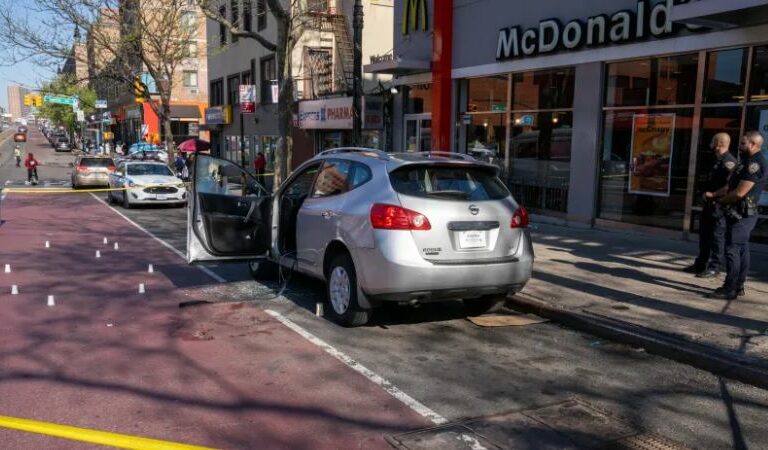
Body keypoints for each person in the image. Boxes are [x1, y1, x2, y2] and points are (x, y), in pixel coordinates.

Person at [705, 131, 768, 300]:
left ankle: (730, 287)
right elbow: (729, 186)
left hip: (743, 214)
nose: (739, 147)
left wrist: (722, 201)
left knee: (732, 250)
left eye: (743, 144)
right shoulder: (745, 162)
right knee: (740, 249)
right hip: (737, 212)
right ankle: (738, 285)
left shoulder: (755, 164)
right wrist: (715, 195)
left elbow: (740, 192)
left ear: (753, 144)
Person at [684, 133, 737, 278]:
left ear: (719, 143)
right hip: (708, 204)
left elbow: (729, 186)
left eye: (713, 141)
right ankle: (700, 264)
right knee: (704, 235)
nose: (710, 143)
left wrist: (713, 195)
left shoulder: (729, 162)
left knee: (716, 237)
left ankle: (714, 267)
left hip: (719, 205)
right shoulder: (715, 159)